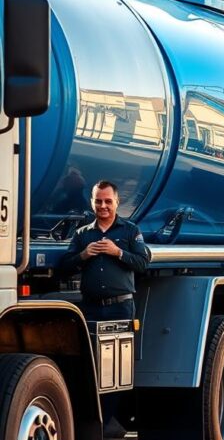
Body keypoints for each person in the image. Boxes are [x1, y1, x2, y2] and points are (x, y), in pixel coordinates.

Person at [57, 180, 151, 438]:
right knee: (91, 369)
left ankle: (107, 424)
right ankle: (96, 422)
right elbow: (63, 266)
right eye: (98, 201)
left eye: (108, 201)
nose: (103, 206)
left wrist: (117, 252)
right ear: (92, 202)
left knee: (115, 371)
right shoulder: (82, 234)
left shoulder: (130, 231)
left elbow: (143, 263)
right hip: (90, 309)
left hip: (120, 308)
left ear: (117, 203)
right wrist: (84, 255)